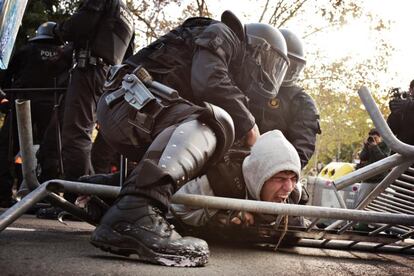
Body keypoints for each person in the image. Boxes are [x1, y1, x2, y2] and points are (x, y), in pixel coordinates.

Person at [90, 11, 290, 267]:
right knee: (216, 124)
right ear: (256, 50)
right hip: (129, 103)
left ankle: (102, 196)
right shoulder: (224, 34)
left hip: (137, 111)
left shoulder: (224, 68)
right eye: (271, 63)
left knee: (213, 147)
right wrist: (249, 125)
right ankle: (136, 210)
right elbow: (209, 81)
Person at [52, 0, 135, 185]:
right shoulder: (127, 15)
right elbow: (130, 56)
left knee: (76, 133)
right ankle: (88, 194)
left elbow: (80, 25)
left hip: (88, 69)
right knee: (86, 134)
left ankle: (76, 198)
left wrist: (58, 30)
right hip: (109, 78)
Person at [0, 22, 71, 208]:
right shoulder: (64, 54)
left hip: (22, 102)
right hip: (52, 105)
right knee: (51, 150)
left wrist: (7, 98)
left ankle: (3, 194)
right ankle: (49, 196)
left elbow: (7, 77)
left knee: (6, 148)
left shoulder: (26, 50)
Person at [171, 130, 302, 227]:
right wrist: (222, 216)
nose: (289, 187)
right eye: (279, 178)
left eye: (293, 178)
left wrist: (257, 218)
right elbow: (176, 208)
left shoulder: (296, 192)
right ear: (258, 175)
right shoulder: (222, 180)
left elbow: (300, 225)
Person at [249, 28, 321, 168]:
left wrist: (281, 171)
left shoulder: (301, 101)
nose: (287, 70)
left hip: (274, 170)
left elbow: (302, 148)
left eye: (293, 67)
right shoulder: (248, 87)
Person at [355, 128, 390, 206]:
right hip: (367, 179)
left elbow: (382, 160)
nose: (373, 140)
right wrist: (366, 146)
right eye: (371, 138)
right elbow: (362, 157)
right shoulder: (368, 146)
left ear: (380, 137)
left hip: (380, 180)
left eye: (375, 138)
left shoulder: (385, 146)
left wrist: (375, 147)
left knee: (380, 204)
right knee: (360, 203)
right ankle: (357, 217)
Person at [387, 80, 414, 145]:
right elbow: (393, 130)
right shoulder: (403, 106)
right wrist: (395, 113)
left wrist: (408, 105)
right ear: (410, 90)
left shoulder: (407, 105)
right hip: (403, 150)